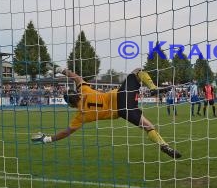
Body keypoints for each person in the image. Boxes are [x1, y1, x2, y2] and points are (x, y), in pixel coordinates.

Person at [31, 67, 181, 159]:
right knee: (137, 71)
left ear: (70, 105)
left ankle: (163, 145)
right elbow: (76, 77)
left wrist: (47, 139)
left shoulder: (81, 116)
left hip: (122, 112)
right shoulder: (84, 90)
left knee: (148, 127)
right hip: (122, 96)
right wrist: (61, 70)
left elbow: (66, 132)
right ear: (76, 92)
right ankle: (153, 87)